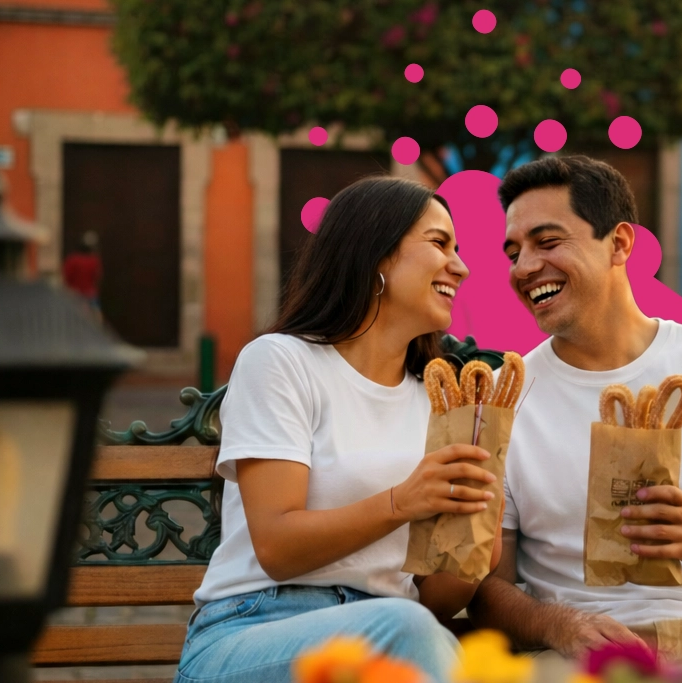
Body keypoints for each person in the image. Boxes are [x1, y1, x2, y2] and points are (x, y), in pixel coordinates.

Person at [469, 156, 682, 681]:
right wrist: (554, 624)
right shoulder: (506, 397)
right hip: (579, 654)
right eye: (514, 251)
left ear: (619, 244)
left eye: (547, 242)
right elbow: (486, 588)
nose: (523, 267)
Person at [174, 177, 501, 683]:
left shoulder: (434, 405)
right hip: (254, 630)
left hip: (389, 641)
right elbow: (278, 549)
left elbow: (433, 602)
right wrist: (403, 501)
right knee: (407, 629)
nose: (461, 266)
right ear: (375, 256)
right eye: (439, 243)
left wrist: (478, 541)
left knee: (414, 629)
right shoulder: (282, 362)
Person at [62, 231, 102, 315]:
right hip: (90, 296)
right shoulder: (94, 260)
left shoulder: (72, 259)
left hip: (73, 296)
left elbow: (66, 277)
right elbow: (97, 277)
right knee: (95, 321)